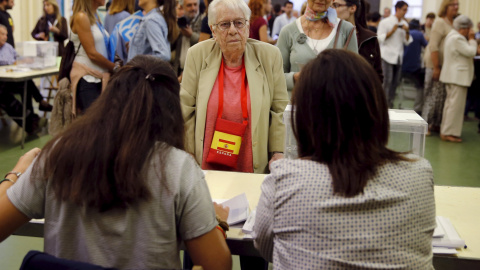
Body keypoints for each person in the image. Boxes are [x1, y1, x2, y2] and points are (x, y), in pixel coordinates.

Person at [0, 55, 232, 270]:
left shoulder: (59, 153)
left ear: (108, 99)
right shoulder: (178, 168)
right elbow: (218, 264)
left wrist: (16, 174)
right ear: (172, 111)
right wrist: (216, 222)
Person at [253, 49, 436, 269]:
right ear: (375, 108)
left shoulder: (283, 181)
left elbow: (265, 248)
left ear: (305, 118)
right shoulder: (419, 175)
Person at [181, 0, 288, 173]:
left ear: (247, 26)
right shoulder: (197, 55)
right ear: (213, 30)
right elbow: (185, 109)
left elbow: (279, 109)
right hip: (206, 168)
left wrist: (277, 152)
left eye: (238, 23)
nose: (232, 30)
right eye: (224, 24)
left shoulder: (270, 56)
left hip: (253, 166)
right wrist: (188, 153)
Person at [277, 0, 358, 92]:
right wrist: (295, 78)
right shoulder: (288, 31)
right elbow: (276, 77)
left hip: (333, 103)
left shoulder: (346, 30)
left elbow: (354, 75)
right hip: (296, 103)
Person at [0, 25, 51, 134]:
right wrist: (14, 62)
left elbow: (18, 58)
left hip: (10, 80)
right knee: (5, 97)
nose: (5, 37)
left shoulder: (8, 47)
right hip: (2, 83)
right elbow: (6, 61)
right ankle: (33, 118)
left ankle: (33, 120)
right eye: (2, 34)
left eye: (6, 34)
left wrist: (25, 59)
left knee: (26, 83)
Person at [439, 15, 479, 142]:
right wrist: (473, 40)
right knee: (455, 107)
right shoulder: (457, 38)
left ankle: (446, 130)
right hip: (457, 77)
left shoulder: (451, 36)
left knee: (450, 105)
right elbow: (471, 51)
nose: (469, 32)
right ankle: (449, 132)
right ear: (463, 28)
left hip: (453, 76)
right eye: (469, 29)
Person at [70, 0, 115, 114]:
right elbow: (92, 54)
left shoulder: (95, 17)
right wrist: (115, 67)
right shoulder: (81, 17)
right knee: (93, 126)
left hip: (98, 78)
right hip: (87, 79)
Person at [422, 0, 458, 135]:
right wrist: (436, 67)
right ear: (446, 7)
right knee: (432, 95)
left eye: (457, 5)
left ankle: (436, 124)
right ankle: (426, 124)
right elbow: (433, 46)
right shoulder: (439, 22)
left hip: (445, 65)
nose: (456, 7)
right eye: (453, 4)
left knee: (441, 96)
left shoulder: (452, 23)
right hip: (434, 64)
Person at [334, 0, 383, 82]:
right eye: (331, 6)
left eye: (336, 5)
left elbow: (377, 75)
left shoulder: (369, 38)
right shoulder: (327, 35)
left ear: (352, 8)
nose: (332, 10)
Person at [377, 0, 412, 108]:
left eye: (406, 10)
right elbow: (379, 38)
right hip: (387, 56)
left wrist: (407, 31)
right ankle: (382, 105)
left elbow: (407, 41)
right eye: (404, 10)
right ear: (397, 9)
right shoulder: (385, 22)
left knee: (395, 83)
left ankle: (390, 104)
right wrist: (392, 31)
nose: (405, 12)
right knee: (386, 82)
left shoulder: (405, 24)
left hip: (398, 57)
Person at [172, 0, 204, 78]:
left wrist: (191, 35)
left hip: (197, 71)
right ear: (183, 7)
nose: (193, 8)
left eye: (195, 5)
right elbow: (170, 46)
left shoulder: (204, 22)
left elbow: (205, 45)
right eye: (189, 5)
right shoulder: (180, 22)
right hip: (179, 69)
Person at [402, 19, 428, 114]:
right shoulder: (419, 35)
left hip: (401, 66)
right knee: (422, 85)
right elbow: (427, 46)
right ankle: (418, 108)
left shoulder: (405, 32)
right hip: (414, 68)